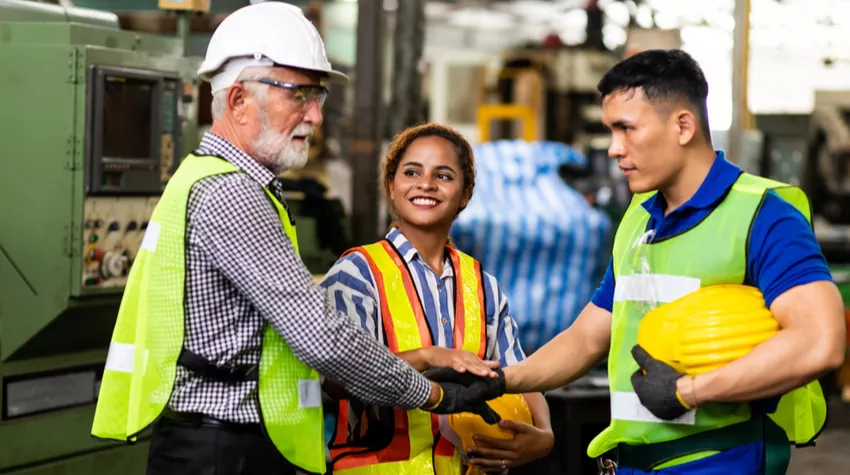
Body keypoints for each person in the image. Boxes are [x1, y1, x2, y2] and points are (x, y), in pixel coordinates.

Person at [90, 4, 504, 475]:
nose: (315, 116)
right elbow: (321, 339)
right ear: (240, 100)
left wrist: (426, 359)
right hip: (224, 451)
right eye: (298, 95)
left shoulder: (224, 180)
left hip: (231, 442)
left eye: (319, 96)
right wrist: (434, 393)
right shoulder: (232, 194)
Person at [489, 49, 846, 474]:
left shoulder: (763, 215)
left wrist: (690, 391)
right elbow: (587, 338)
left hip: (719, 459)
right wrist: (499, 381)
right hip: (636, 462)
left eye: (626, 129)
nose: (614, 149)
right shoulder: (639, 218)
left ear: (682, 125)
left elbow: (819, 341)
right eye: (610, 131)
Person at [320, 123, 554, 474]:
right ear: (391, 186)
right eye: (412, 172)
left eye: (443, 175)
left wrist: (545, 434)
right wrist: (428, 357)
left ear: (465, 194)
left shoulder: (483, 285)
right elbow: (337, 379)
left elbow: (518, 373)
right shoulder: (356, 273)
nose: (426, 184)